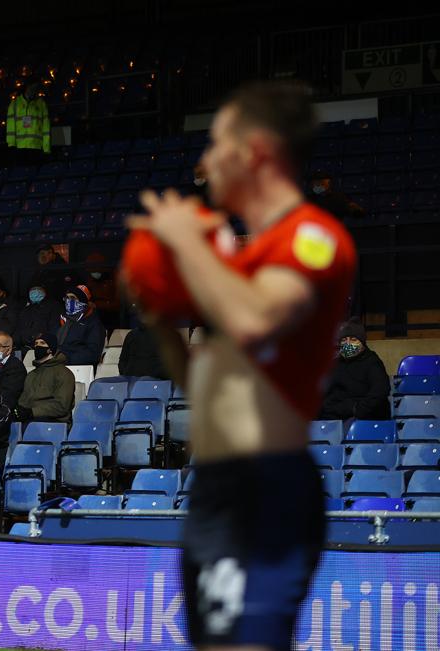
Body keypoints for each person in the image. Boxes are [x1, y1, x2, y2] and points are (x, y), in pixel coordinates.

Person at [126, 81, 356, 650]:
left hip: (266, 485)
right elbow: (202, 386)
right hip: (216, 487)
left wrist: (187, 242)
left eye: (215, 144)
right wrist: (159, 317)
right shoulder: (243, 259)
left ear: (253, 151)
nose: (203, 163)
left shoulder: (313, 239)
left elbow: (255, 321)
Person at [319, 320, 390, 421]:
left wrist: (358, 409)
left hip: (364, 418)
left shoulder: (372, 362)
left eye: (353, 340)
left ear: (362, 342)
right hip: (335, 417)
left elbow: (380, 391)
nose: (348, 344)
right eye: (344, 340)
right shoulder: (335, 365)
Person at [13, 332, 76, 424]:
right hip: (31, 420)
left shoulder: (64, 373)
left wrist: (33, 412)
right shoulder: (31, 374)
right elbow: (24, 401)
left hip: (54, 422)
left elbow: (62, 406)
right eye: (36, 344)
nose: (37, 346)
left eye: (42, 343)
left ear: (50, 349)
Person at [57, 285, 105, 366]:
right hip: (57, 365)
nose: (69, 301)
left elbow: (93, 354)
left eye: (72, 298)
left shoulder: (93, 323)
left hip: (78, 367)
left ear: (82, 301)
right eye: (67, 298)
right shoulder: (61, 320)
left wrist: (66, 359)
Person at [6, 81, 50, 164]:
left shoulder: (41, 104)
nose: (34, 91)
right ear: (26, 88)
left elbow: (46, 128)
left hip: (36, 148)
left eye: (36, 89)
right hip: (20, 148)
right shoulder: (15, 104)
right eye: (32, 88)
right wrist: (11, 145)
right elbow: (10, 127)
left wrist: (46, 148)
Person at [14, 282, 63, 353]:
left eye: (38, 289)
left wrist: (43, 339)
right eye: (33, 290)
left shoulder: (54, 306)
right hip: (24, 348)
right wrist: (18, 343)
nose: (35, 292)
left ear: (44, 291)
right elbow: (19, 328)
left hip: (44, 347)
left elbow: (55, 328)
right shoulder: (25, 309)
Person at [83, 252, 119, 331]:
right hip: (96, 317)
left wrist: (97, 305)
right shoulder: (90, 280)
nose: (95, 273)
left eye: (97, 271)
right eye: (92, 272)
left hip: (112, 317)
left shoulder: (114, 279)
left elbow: (118, 303)